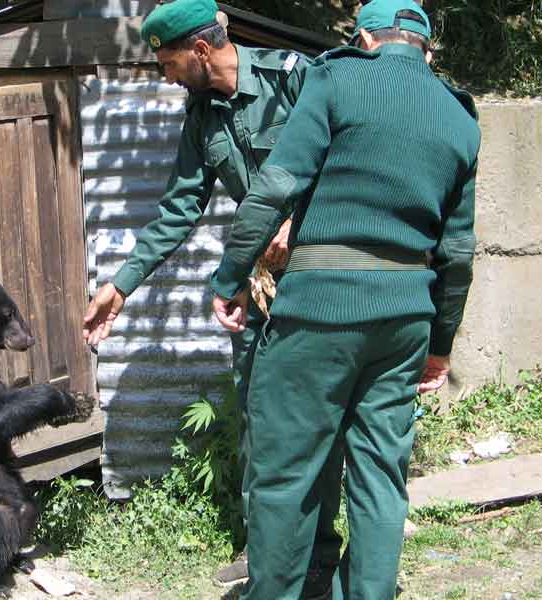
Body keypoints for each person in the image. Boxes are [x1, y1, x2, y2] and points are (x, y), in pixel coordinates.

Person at [208, 0, 481, 598]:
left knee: (286, 474)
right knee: (382, 475)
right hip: (406, 318)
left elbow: (276, 185)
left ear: (362, 38)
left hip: (318, 314)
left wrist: (230, 277)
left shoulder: (335, 78)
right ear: (426, 49)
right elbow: (457, 252)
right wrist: (440, 345)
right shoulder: (461, 118)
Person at [81, 0, 343, 595]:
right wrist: (121, 286)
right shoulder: (203, 116)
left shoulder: (294, 77)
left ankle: (323, 555)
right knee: (258, 418)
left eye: (169, 62)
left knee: (318, 417)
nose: (166, 76)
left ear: (201, 51)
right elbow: (179, 208)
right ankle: (268, 554)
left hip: (325, 278)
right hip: (260, 286)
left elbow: (343, 157)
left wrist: (299, 219)